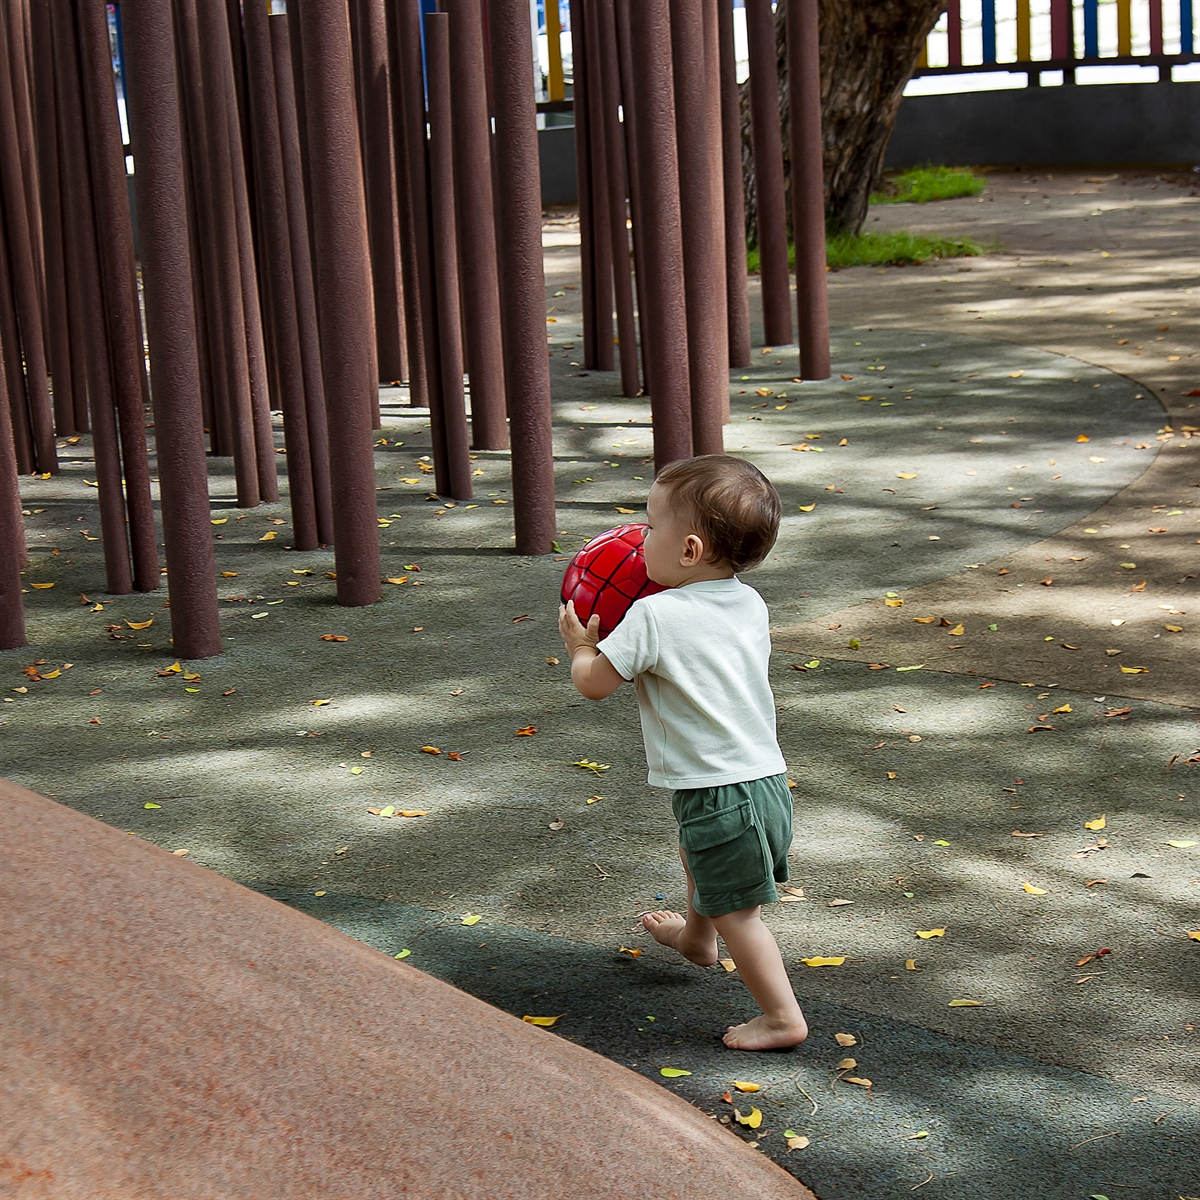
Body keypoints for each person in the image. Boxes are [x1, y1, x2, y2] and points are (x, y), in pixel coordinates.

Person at [558, 454, 808, 1051]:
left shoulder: (654, 614)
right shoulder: (749, 602)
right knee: (698, 856)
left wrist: (580, 646)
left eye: (650, 526)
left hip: (721, 791)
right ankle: (697, 939)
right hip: (763, 783)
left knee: (740, 914)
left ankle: (782, 1017)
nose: (638, 538)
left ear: (690, 550)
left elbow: (594, 684)